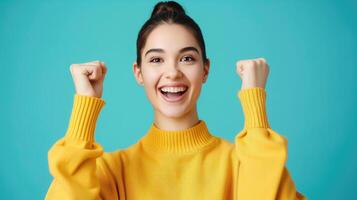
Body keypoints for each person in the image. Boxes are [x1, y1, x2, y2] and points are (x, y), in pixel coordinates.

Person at [45, 1, 306, 199]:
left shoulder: (245, 163)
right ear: (139, 72)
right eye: (156, 59)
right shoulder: (112, 173)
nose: (172, 72)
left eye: (187, 58)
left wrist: (255, 108)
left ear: (205, 69)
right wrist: (84, 107)